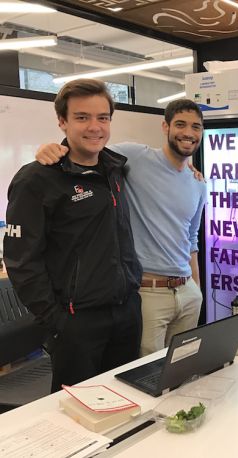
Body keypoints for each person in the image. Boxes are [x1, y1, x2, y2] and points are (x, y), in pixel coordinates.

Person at [36, 99, 207, 356]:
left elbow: (192, 240)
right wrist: (51, 148)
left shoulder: (198, 184)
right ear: (165, 127)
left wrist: (197, 290)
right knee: (147, 375)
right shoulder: (136, 156)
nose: (188, 133)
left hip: (188, 293)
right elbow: (87, 151)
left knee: (183, 370)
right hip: (149, 293)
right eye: (180, 124)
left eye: (196, 126)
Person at [4, 79, 143, 392]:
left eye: (102, 118)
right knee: (76, 415)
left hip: (126, 311)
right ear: (62, 122)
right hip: (76, 322)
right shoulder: (37, 179)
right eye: (82, 117)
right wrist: (56, 320)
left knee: (127, 400)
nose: (94, 127)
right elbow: (21, 260)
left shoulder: (115, 169)